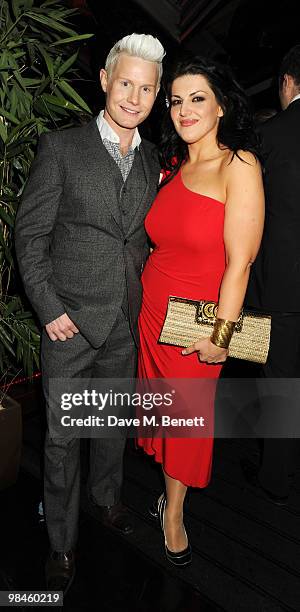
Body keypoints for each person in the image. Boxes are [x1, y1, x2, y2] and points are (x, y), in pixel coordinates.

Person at [15, 33, 165, 593]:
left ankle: (107, 500)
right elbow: (29, 236)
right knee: (61, 437)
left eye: (146, 88)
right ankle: (59, 540)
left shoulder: (151, 157)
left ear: (155, 96)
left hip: (125, 320)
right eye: (125, 82)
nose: (134, 96)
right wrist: (49, 307)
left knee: (108, 425)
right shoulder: (62, 148)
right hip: (70, 323)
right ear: (105, 80)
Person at [137, 54, 265, 566]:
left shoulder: (239, 164)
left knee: (187, 423)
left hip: (196, 323)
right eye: (175, 100)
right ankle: (167, 494)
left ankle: (174, 511)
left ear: (221, 106)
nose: (183, 110)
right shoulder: (173, 166)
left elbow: (241, 263)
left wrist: (222, 336)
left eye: (197, 98)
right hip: (150, 314)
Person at [246, 44, 300, 503]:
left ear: (286, 82)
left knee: (281, 386)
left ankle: (275, 478)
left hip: (279, 289)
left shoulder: (268, 137)